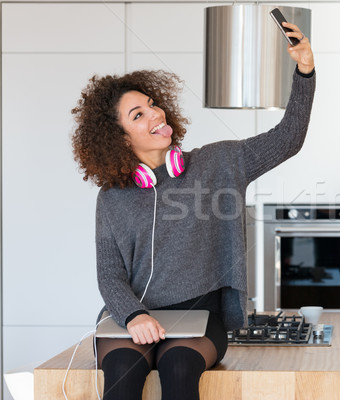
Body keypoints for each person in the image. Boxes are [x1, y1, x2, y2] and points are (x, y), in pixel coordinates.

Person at [71, 22, 315, 400]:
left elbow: (288, 139)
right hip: (132, 317)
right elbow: (109, 273)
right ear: (119, 138)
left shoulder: (218, 163)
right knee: (121, 371)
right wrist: (134, 316)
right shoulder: (111, 198)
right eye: (138, 115)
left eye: (152, 104)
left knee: (179, 367)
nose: (155, 114)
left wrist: (305, 72)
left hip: (201, 315)